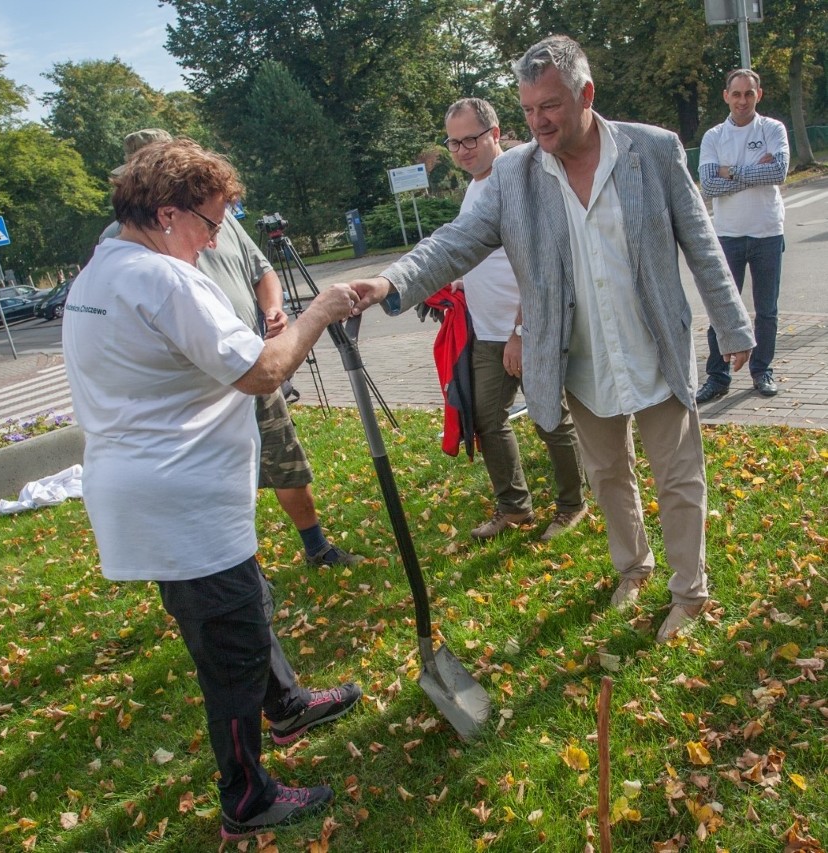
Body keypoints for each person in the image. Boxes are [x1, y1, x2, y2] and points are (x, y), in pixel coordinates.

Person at [348, 35, 755, 643]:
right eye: (528, 109)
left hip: (654, 349)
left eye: (551, 106)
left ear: (585, 94)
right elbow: (457, 240)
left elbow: (700, 241)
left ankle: (689, 593)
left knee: (678, 477)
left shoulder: (653, 149)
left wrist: (732, 323)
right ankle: (632, 571)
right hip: (580, 359)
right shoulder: (515, 175)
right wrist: (389, 282)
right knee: (608, 473)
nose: (537, 121)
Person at [63, 138, 362, 840]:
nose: (216, 236)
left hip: (152, 493)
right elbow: (260, 369)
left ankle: (285, 703)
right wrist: (316, 312)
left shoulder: (101, 273)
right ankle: (246, 796)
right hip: (179, 497)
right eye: (209, 221)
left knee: (244, 602)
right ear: (167, 214)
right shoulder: (165, 280)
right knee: (228, 652)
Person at [107, 129, 363, 567]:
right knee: (220, 481)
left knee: (285, 459)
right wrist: (318, 313)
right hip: (205, 383)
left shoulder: (215, 217)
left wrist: (274, 309)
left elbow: (263, 271)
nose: (211, 238)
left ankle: (315, 545)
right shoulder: (132, 244)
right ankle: (241, 567)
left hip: (252, 354)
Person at [442, 97, 587, 541]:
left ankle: (571, 505)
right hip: (485, 333)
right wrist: (462, 285)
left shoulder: (521, 181)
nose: (463, 150)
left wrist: (521, 332)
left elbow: (541, 267)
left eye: (471, 138)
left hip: (527, 330)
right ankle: (514, 507)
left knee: (549, 418)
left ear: (495, 133)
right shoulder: (473, 188)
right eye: (453, 142)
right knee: (487, 419)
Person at [697, 68, 789, 401]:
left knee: (767, 310)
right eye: (736, 94)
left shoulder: (772, 129)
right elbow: (708, 184)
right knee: (721, 309)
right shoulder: (714, 137)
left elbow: (778, 170)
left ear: (758, 95)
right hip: (727, 236)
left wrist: (730, 171)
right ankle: (717, 377)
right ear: (726, 96)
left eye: (748, 93)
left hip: (767, 232)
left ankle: (762, 371)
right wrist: (755, 172)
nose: (742, 100)